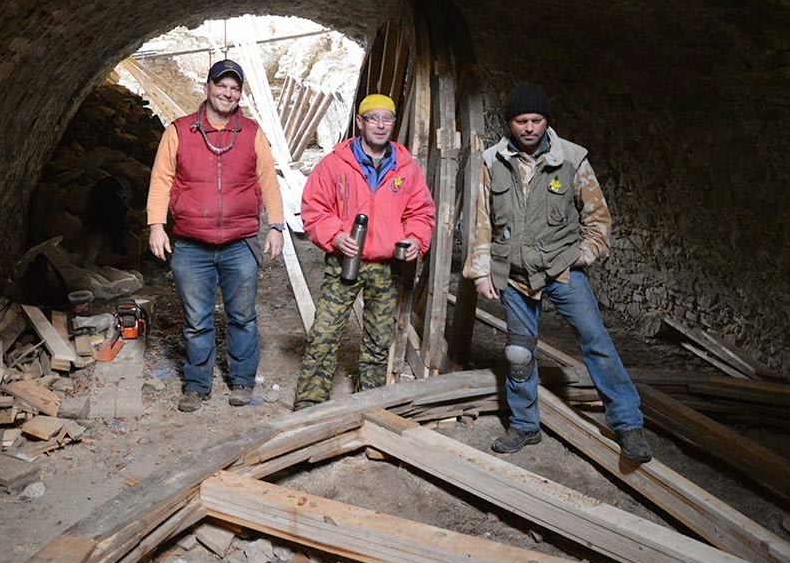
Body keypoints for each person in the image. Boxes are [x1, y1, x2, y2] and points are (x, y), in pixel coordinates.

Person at [463, 83, 652, 461]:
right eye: (521, 121)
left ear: (546, 121)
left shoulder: (572, 160)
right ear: (509, 123)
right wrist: (481, 272)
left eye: (536, 120)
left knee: (596, 342)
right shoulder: (492, 162)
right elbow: (481, 221)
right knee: (519, 353)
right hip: (515, 275)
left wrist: (584, 254)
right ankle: (524, 425)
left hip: (563, 271)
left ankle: (628, 425)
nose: (529, 128)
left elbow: (598, 218)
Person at [146, 59, 284, 412]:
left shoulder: (251, 133)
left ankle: (242, 381)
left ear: (240, 94)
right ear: (207, 87)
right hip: (191, 245)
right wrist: (157, 225)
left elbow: (268, 180)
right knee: (196, 321)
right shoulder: (179, 131)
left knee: (243, 316)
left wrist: (276, 226)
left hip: (240, 243)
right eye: (221, 85)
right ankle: (196, 386)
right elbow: (161, 180)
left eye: (234, 88)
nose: (227, 93)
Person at [293, 94, 436, 410]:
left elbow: (421, 212)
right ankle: (309, 404)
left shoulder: (406, 168)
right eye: (374, 118)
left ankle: (369, 404)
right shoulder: (336, 163)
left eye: (387, 119)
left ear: (393, 124)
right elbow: (314, 208)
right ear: (360, 122)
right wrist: (335, 235)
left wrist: (416, 239)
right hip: (343, 261)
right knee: (324, 334)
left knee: (378, 340)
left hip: (387, 266)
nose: (381, 125)